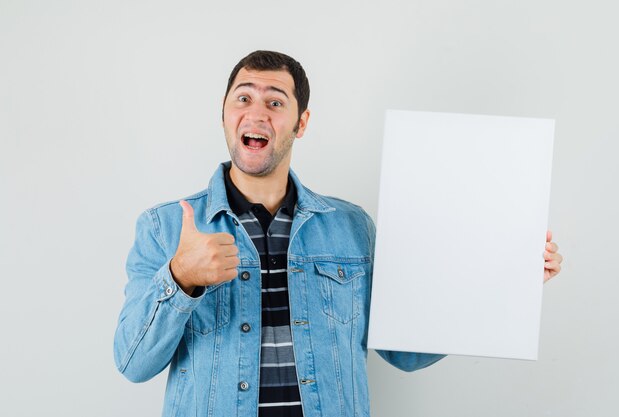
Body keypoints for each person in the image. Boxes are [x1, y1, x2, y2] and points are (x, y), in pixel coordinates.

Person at [114, 50, 563, 417]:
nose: (256, 113)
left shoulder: (351, 228)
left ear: (301, 123)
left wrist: (504, 282)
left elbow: (406, 352)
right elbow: (133, 364)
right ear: (224, 114)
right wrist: (180, 278)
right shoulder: (167, 227)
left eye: (275, 102)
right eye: (243, 98)